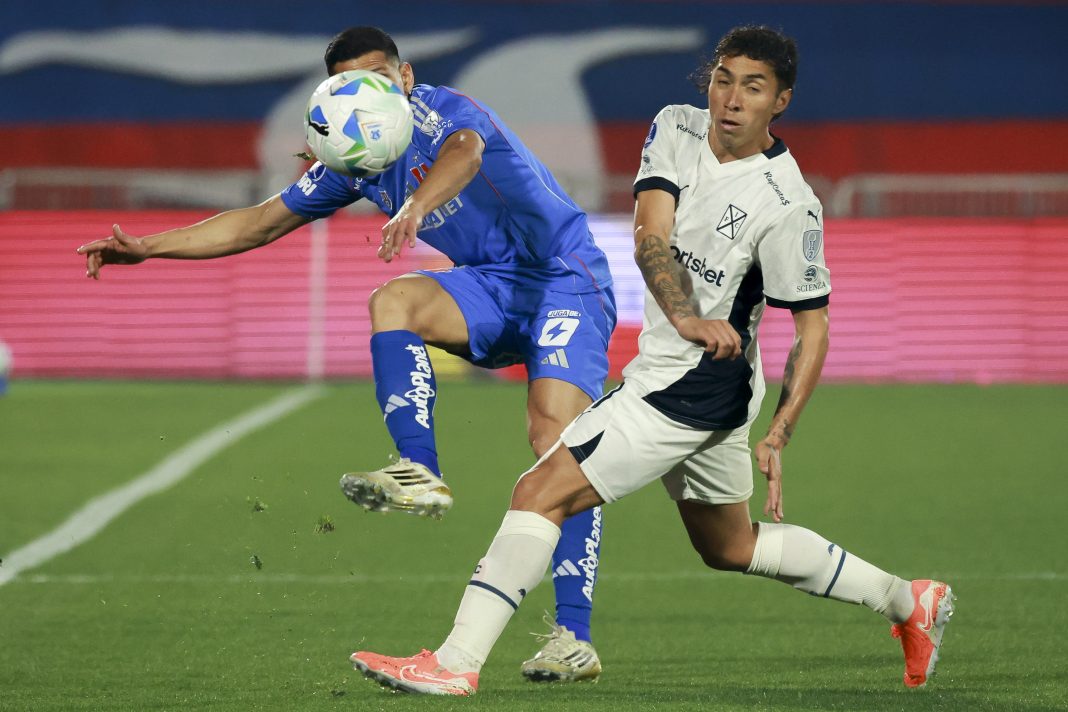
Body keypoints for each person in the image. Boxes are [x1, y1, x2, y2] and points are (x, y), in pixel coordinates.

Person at [348, 25, 954, 697]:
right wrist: (687, 315)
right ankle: (909, 600)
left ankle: (456, 662)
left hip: (694, 384)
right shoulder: (676, 126)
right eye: (723, 80)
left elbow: (813, 328)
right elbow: (650, 235)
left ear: (780, 101)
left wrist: (781, 432)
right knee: (730, 547)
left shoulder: (789, 204)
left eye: (753, 88)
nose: (731, 99)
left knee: (539, 490)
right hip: (688, 369)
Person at [76, 25, 616, 683]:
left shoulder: (444, 111)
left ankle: (572, 637)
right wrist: (149, 248)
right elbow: (259, 222)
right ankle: (419, 471)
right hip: (492, 288)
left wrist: (415, 205)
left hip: (563, 278)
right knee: (394, 300)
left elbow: (467, 153)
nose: (367, 99)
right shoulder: (356, 158)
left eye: (378, 80)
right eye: (348, 87)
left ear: (405, 78)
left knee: (556, 442)